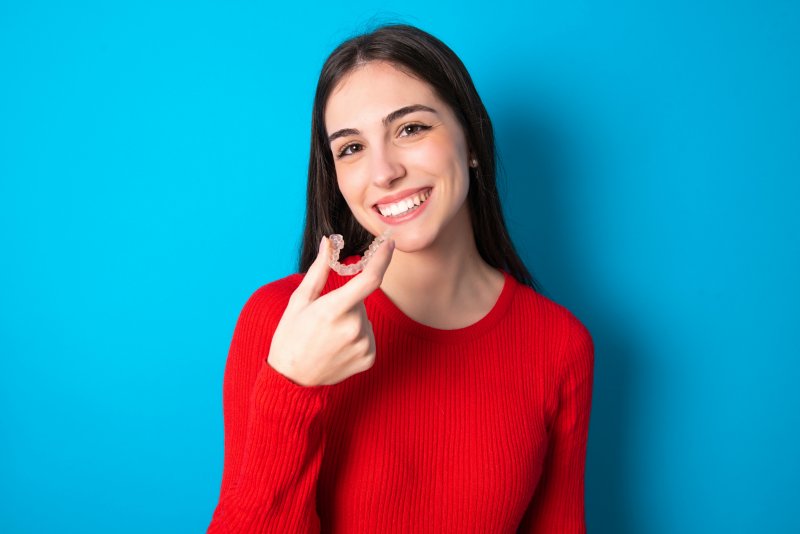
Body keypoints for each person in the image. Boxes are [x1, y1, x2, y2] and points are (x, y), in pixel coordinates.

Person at [207, 24, 594, 533]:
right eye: (350, 149)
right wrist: (293, 388)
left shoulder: (559, 345)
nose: (383, 171)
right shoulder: (281, 321)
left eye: (410, 129)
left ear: (472, 140)